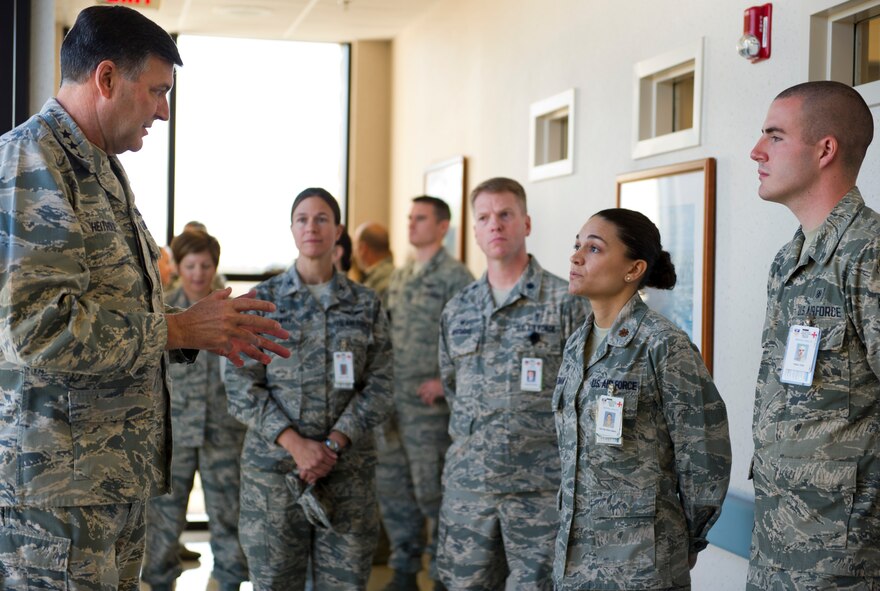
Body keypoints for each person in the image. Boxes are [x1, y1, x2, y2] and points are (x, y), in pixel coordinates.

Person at [0, 6, 289, 590]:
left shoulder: (99, 165)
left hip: (108, 481)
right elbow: (35, 327)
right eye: (157, 91)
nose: (163, 109)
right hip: (59, 496)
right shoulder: (35, 161)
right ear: (106, 79)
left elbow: (114, 306)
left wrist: (195, 326)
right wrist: (178, 330)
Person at [224, 188, 393, 591]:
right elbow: (239, 385)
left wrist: (332, 444)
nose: (311, 227)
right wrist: (296, 444)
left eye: (321, 219)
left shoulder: (366, 304)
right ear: (292, 229)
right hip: (275, 476)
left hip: (347, 474)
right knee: (274, 583)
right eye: (302, 219)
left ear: (338, 231)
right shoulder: (261, 303)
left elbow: (382, 384)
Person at [553, 208, 731, 590]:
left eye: (595, 248)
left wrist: (690, 536)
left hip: (641, 565)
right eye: (577, 245)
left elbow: (704, 454)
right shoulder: (574, 346)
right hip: (574, 560)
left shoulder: (663, 345)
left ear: (633, 269)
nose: (576, 256)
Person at [748, 81, 880, 590]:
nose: (756, 151)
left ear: (826, 150)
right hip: (779, 536)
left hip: (845, 554)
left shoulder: (868, 254)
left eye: (775, 136)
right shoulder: (790, 258)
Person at [437, 177, 587, 590]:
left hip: (540, 492)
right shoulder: (458, 309)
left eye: (505, 215)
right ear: (474, 231)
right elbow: (452, 387)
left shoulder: (566, 301)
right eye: (484, 217)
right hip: (470, 491)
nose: (495, 225)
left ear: (526, 223)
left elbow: (583, 395)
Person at [142, 230, 249, 591]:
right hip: (175, 433)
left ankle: (231, 582)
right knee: (162, 524)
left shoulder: (231, 312)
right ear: (179, 266)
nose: (198, 273)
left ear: (215, 266)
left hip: (224, 432)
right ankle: (158, 582)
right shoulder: (161, 309)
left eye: (206, 265)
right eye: (191, 265)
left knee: (229, 522)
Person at [378, 196, 474, 591]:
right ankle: (403, 568)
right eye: (410, 218)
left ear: (442, 227)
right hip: (394, 404)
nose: (411, 224)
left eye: (420, 218)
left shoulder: (456, 277)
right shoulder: (400, 276)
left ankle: (439, 573)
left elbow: (471, 342)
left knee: (434, 492)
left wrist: (444, 380)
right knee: (394, 489)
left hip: (429, 407)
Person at [353, 222, 395, 304]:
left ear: (363, 248)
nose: (354, 253)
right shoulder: (395, 276)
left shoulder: (376, 284)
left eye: (355, 246)